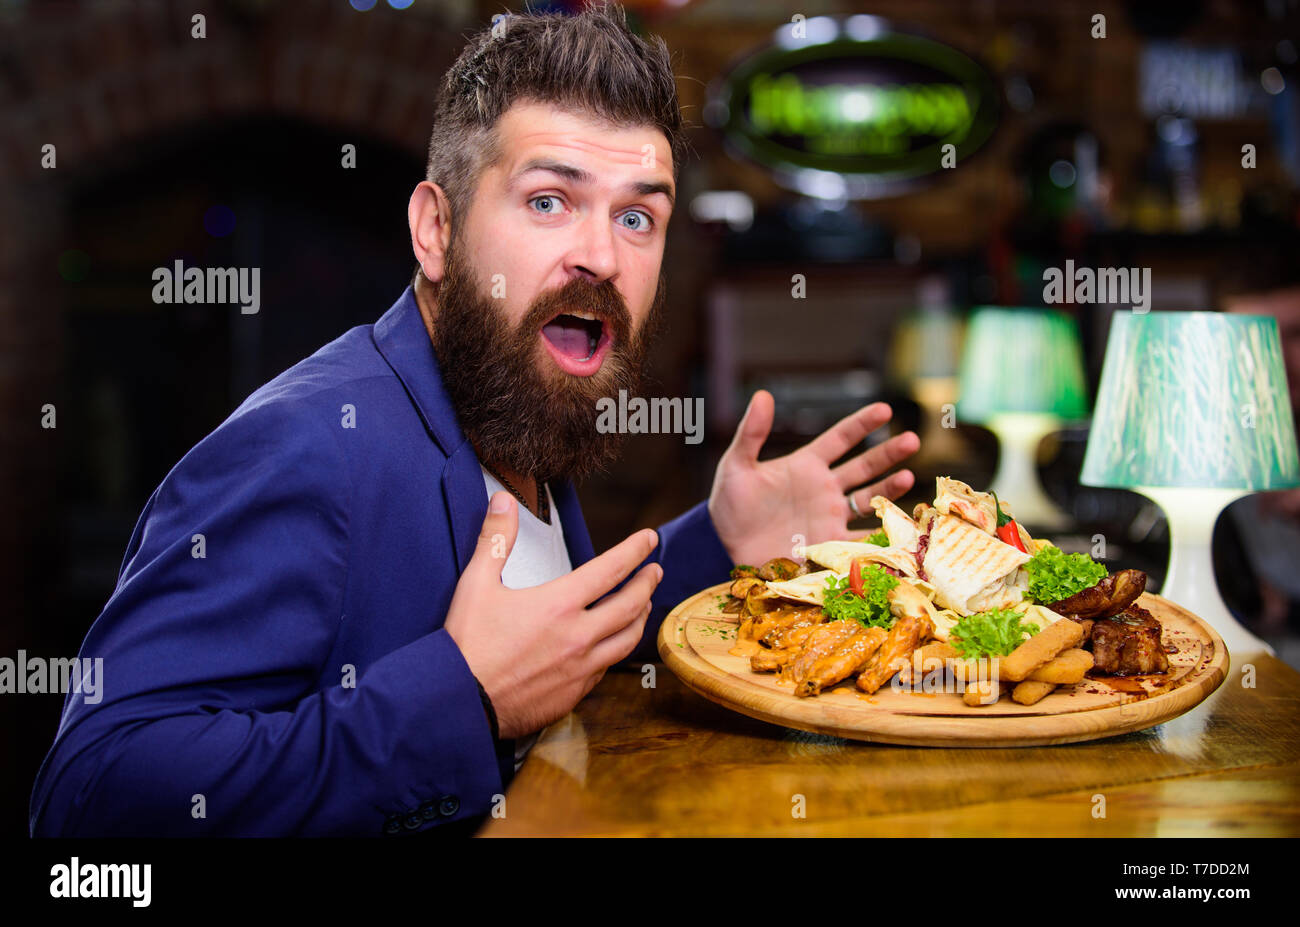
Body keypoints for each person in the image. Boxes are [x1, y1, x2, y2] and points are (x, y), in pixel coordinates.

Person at [29, 1, 918, 837]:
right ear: (434, 229)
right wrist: (461, 697)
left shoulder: (508, 389)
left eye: (638, 216)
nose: (601, 256)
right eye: (547, 201)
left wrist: (718, 541)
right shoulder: (310, 446)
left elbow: (544, 649)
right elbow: (87, 794)